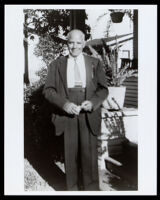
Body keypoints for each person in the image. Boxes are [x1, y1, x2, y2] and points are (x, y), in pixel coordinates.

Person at [43, 29, 109, 191]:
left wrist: (93, 102)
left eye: (78, 42)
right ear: (67, 43)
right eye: (71, 42)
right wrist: (64, 104)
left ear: (84, 43)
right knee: (70, 156)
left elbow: (103, 89)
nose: (75, 46)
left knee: (89, 156)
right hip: (67, 112)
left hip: (88, 112)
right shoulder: (56, 64)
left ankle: (91, 190)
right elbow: (48, 90)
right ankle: (71, 190)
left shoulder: (95, 63)